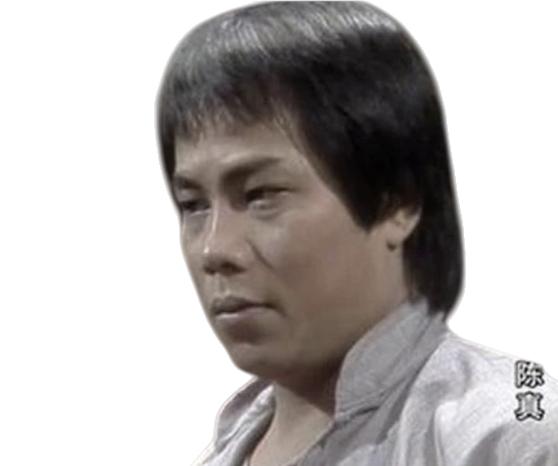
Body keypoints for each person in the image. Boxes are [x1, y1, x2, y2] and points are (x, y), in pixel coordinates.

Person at [156, 2, 558, 465]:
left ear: (396, 203)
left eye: (261, 194)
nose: (214, 249)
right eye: (193, 205)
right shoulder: (227, 446)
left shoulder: (504, 436)